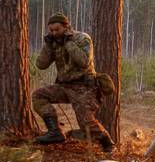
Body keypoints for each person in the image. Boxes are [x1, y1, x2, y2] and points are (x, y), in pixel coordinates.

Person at [32, 12, 115, 152]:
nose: (54, 33)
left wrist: (68, 43)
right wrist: (48, 45)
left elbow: (84, 62)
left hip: (84, 87)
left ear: (66, 27)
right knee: (38, 96)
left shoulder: (82, 38)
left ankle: (108, 143)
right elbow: (41, 64)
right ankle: (55, 132)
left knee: (86, 123)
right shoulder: (54, 43)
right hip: (64, 86)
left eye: (57, 29)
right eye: (51, 30)